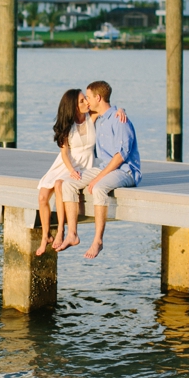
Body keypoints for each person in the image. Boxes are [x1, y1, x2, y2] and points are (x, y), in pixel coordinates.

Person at [82, 79, 141, 259]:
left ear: (98, 98)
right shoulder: (99, 119)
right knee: (68, 182)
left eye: (88, 97)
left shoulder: (119, 120)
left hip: (125, 171)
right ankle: (68, 234)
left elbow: (121, 156)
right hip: (104, 167)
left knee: (99, 188)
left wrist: (98, 178)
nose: (86, 101)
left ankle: (98, 240)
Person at [35, 88, 95, 254]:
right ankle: (46, 236)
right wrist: (71, 170)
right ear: (73, 107)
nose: (87, 102)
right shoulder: (67, 126)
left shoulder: (92, 117)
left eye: (86, 99)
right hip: (67, 163)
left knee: (59, 184)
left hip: (85, 163)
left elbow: (108, 109)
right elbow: (64, 154)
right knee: (42, 197)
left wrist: (121, 110)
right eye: (82, 101)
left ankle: (61, 230)